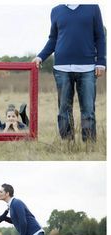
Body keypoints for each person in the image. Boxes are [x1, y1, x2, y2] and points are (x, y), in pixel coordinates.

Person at [34, 5, 106, 142]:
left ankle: (89, 144)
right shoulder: (55, 10)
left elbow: (100, 36)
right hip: (62, 68)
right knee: (64, 110)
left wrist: (101, 61)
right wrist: (40, 56)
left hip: (87, 68)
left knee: (88, 110)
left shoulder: (93, 8)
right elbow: (53, 39)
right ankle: (67, 143)